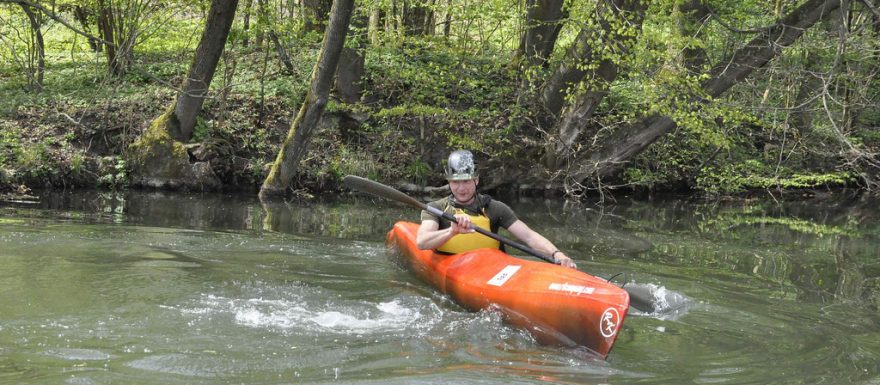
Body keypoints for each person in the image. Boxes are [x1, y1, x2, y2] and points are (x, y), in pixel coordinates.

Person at [416, 150, 577, 269]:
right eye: (455, 182)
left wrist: (557, 254)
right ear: (449, 182)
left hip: (491, 269)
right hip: (452, 267)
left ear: (476, 180)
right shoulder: (436, 208)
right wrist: (451, 232)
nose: (461, 188)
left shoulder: (494, 208)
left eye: (466, 181)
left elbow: (528, 236)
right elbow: (422, 242)